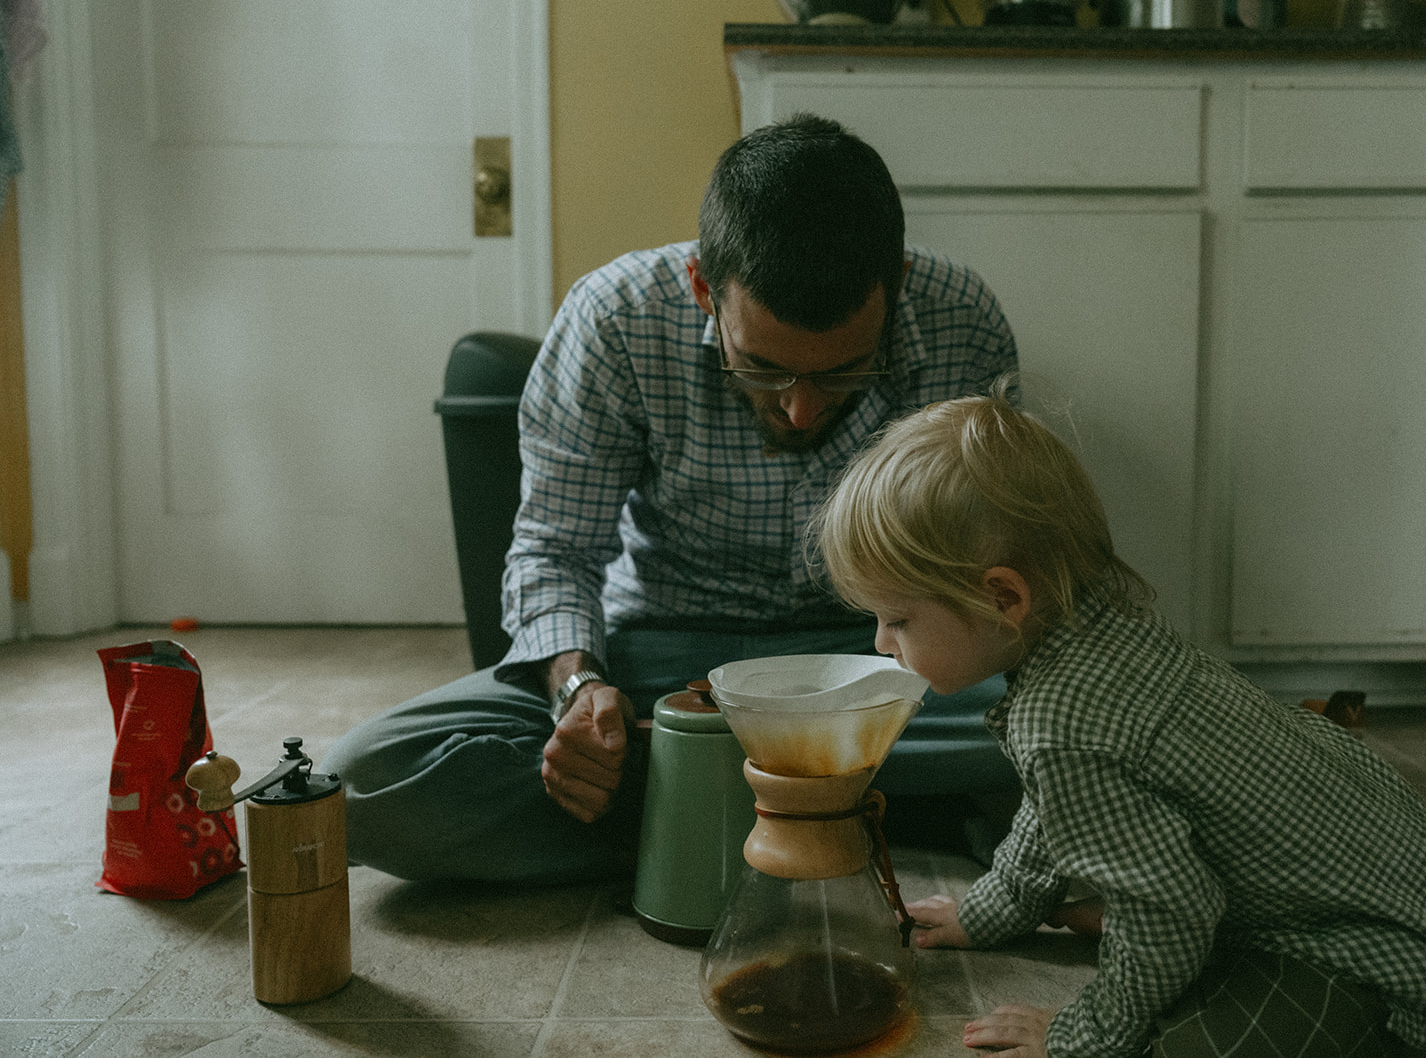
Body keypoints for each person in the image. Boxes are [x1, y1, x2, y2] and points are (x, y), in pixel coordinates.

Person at [321, 113, 1020, 883]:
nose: (800, 409)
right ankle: (847, 804)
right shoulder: (614, 319)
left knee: (1071, 731)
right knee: (359, 780)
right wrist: (582, 693)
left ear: (898, 291)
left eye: (843, 372)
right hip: (657, 665)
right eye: (763, 369)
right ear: (702, 290)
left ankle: (683, 807)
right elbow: (556, 547)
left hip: (874, 665)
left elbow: (985, 557)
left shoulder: (965, 321)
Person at [812, 389, 1426, 1057]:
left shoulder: (1065, 724)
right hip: (1384, 863)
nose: (880, 642)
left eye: (897, 619)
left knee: (1183, 1034)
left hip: (1360, 946)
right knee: (1161, 922)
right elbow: (1053, 808)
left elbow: (1169, 906)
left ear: (1003, 597)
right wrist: (995, 907)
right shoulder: (1098, 627)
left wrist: (1088, 1032)